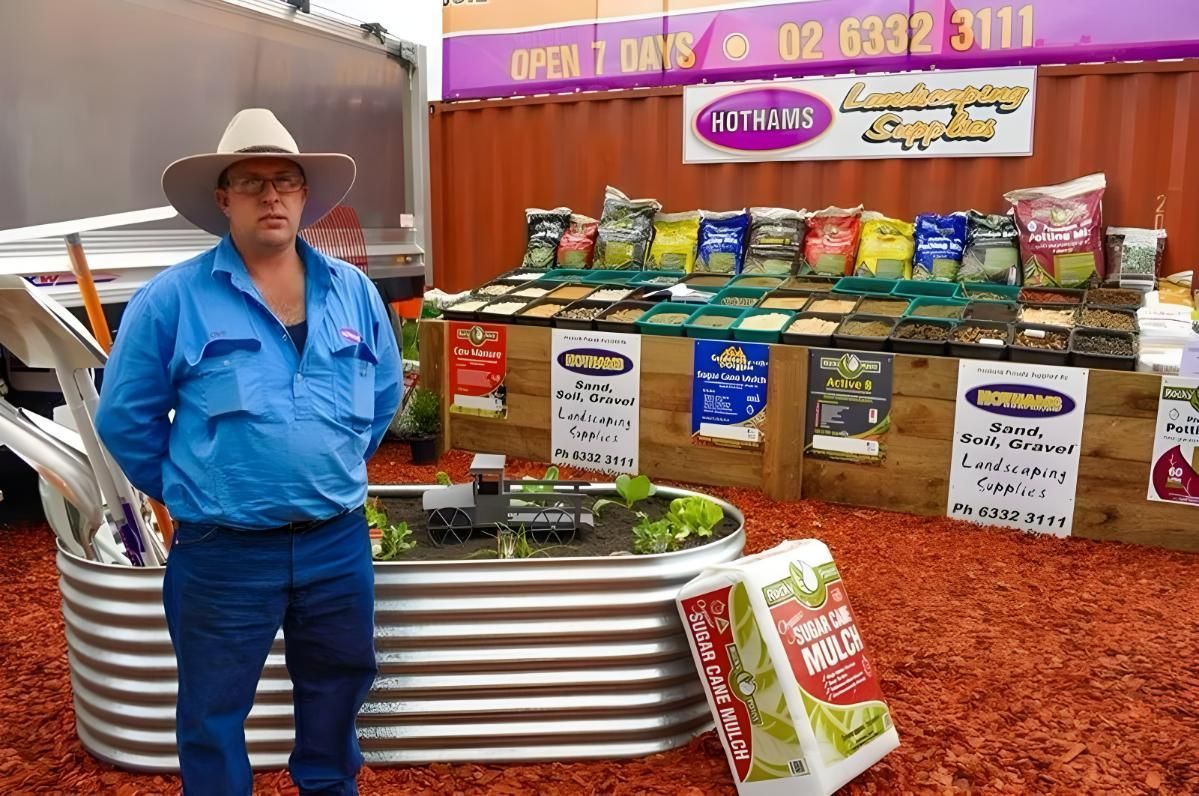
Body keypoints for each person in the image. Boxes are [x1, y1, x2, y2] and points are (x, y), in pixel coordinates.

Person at [96, 108, 402, 795]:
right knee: (211, 711)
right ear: (223, 199)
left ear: (304, 197)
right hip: (223, 551)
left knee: (337, 692)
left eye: (286, 181)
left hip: (335, 544)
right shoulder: (172, 300)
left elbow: (381, 400)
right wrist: (190, 487)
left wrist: (328, 466)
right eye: (252, 181)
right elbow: (124, 418)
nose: (271, 195)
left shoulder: (353, 293)